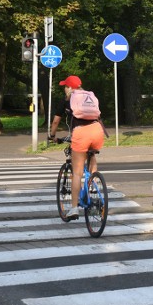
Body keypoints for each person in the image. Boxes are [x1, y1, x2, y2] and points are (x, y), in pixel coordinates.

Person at [47, 75, 105, 219]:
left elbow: (55, 123)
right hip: (98, 130)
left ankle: (74, 208)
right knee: (91, 157)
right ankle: (93, 187)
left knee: (77, 173)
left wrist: (52, 136)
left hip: (81, 133)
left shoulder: (67, 100)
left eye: (65, 86)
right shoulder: (90, 97)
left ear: (70, 87)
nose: (64, 89)